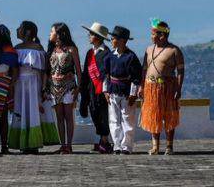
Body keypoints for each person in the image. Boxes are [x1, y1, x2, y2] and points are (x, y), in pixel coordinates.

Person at [141, 19, 184, 155]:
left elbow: (180, 72)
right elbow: (144, 69)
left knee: (169, 116)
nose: (151, 36)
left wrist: (178, 88)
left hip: (168, 87)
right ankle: (155, 147)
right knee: (154, 116)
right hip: (150, 87)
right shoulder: (148, 50)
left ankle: (169, 146)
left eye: (153, 33)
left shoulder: (174, 51)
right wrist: (141, 87)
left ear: (162, 35)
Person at [105, 25, 142, 154]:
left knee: (127, 119)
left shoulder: (131, 57)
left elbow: (136, 77)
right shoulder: (110, 56)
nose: (111, 40)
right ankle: (117, 145)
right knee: (114, 119)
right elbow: (106, 75)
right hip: (113, 91)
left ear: (122, 40)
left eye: (114, 38)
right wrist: (106, 91)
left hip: (126, 93)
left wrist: (133, 94)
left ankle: (127, 146)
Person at [9, 21, 46, 153]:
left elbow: (43, 71)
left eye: (20, 28)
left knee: (31, 110)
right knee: (21, 109)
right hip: (20, 82)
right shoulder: (17, 47)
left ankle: (32, 142)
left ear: (28, 32)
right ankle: (22, 141)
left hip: (33, 83)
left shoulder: (38, 48)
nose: (17, 30)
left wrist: (44, 88)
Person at [78, 22, 112, 154]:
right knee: (94, 113)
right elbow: (86, 73)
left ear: (97, 37)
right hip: (91, 88)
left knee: (103, 114)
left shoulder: (106, 53)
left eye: (91, 34)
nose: (89, 36)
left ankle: (105, 140)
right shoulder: (89, 53)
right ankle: (102, 139)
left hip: (101, 89)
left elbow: (106, 73)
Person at [46, 23, 79, 154]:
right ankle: (63, 144)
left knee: (68, 116)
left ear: (59, 34)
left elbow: (78, 70)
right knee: (59, 117)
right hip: (54, 87)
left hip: (68, 86)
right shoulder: (52, 50)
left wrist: (78, 87)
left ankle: (69, 145)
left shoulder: (71, 49)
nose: (50, 34)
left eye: (52, 31)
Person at [0, 23, 19, 154]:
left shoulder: (9, 51)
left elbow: (15, 70)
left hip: (3, 84)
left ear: (0, 35)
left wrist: (10, 85)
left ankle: (4, 144)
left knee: (2, 115)